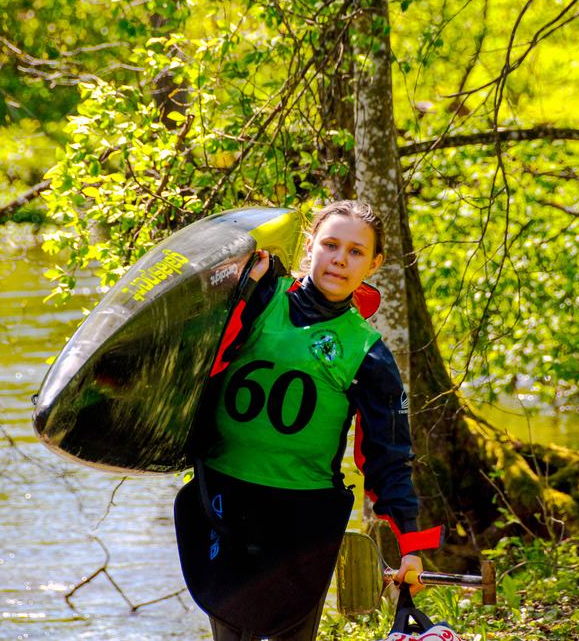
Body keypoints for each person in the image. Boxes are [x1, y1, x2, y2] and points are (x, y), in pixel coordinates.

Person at [174, 200, 442, 641]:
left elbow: (388, 458)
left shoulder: (369, 354)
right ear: (310, 247)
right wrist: (239, 286)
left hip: (301, 518)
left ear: (374, 264)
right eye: (331, 244)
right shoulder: (259, 298)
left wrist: (411, 544)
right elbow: (202, 356)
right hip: (224, 495)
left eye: (356, 252)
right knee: (229, 628)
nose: (340, 258)